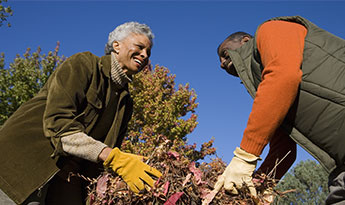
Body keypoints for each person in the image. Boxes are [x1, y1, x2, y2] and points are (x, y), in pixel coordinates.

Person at [0, 21, 162, 205]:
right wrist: (114, 157)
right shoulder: (84, 64)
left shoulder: (126, 103)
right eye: (140, 47)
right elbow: (59, 125)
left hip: (64, 179)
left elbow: (103, 160)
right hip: (20, 166)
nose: (145, 55)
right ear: (116, 45)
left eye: (148, 52)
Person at [213, 16, 345, 204]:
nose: (221, 64)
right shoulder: (272, 96)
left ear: (245, 41)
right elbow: (283, 149)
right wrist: (258, 186)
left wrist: (244, 156)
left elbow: (283, 75)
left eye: (225, 54)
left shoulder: (271, 29)